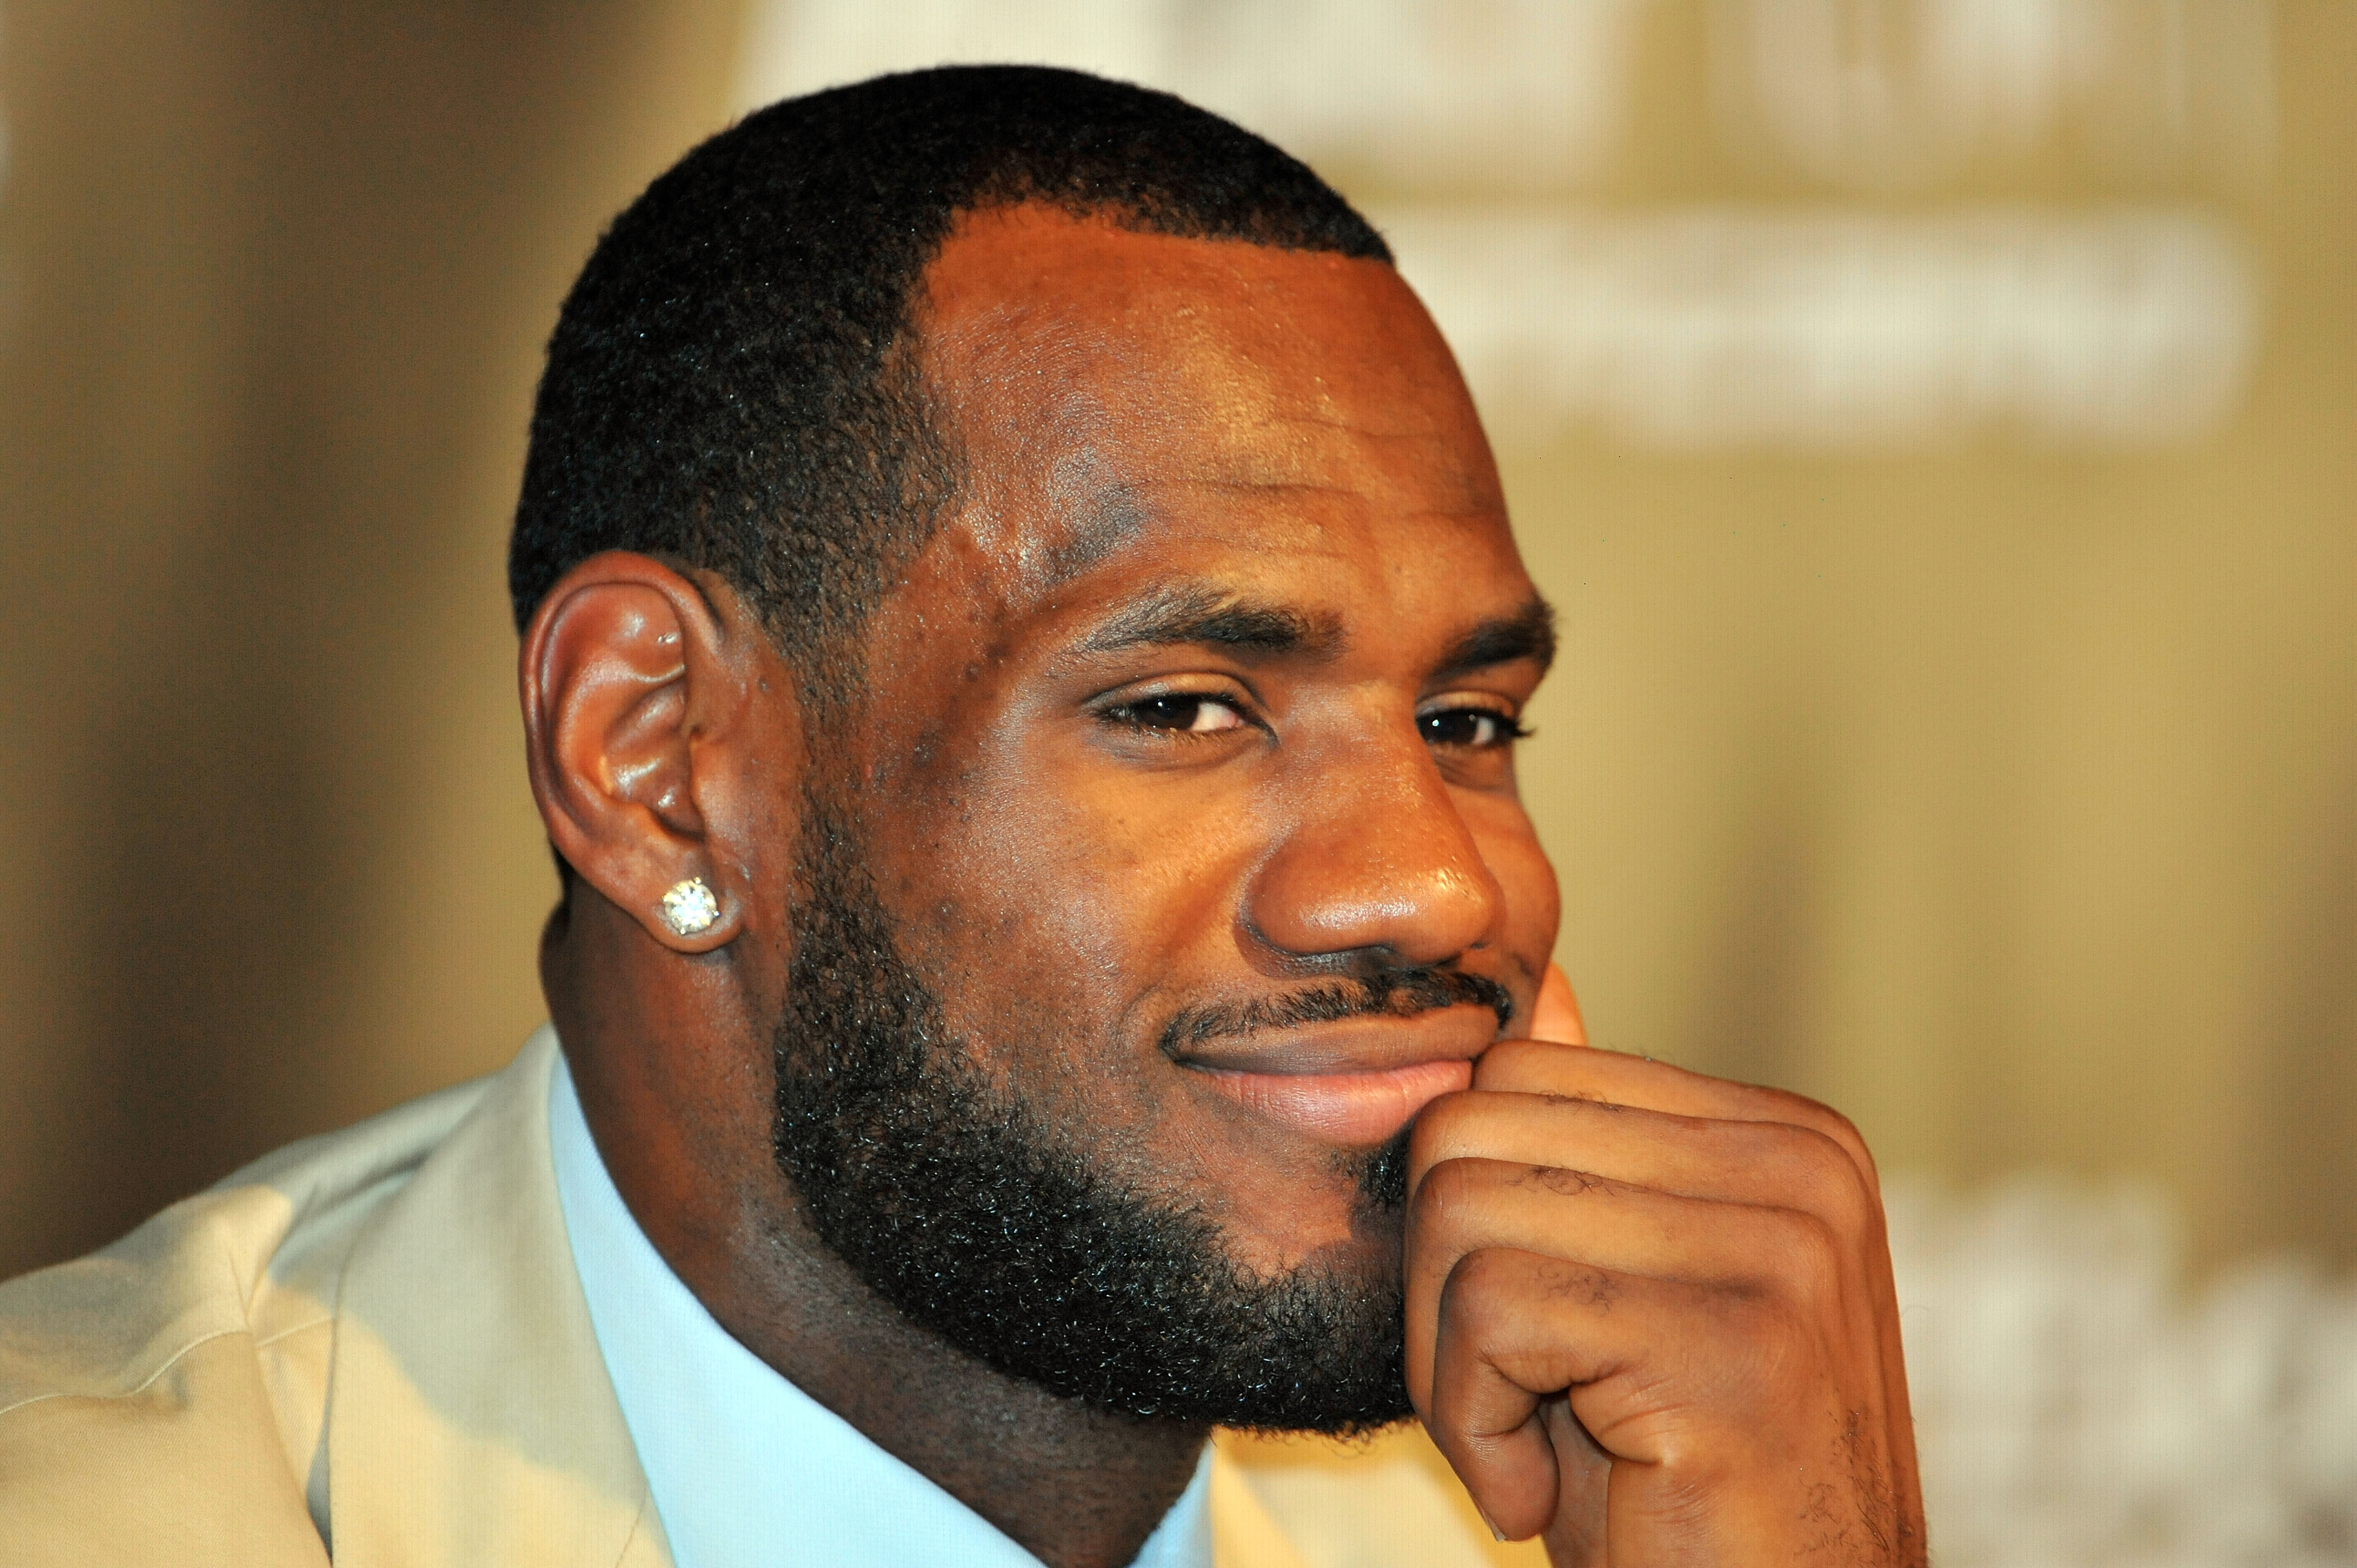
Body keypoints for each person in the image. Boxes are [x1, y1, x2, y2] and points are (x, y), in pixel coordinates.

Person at [0, 66, 1922, 1566]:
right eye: (1183, 707)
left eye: (1466, 716)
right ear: (656, 763)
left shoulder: (1591, 1511)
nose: (1427, 879)